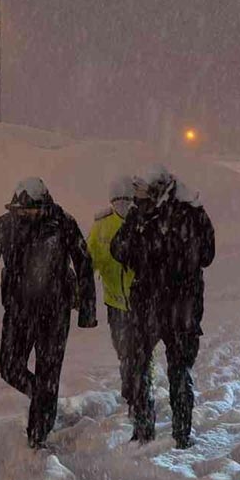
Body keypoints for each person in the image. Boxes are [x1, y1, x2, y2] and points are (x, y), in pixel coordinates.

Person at [0, 177, 97, 449]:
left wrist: (87, 308)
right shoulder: (3, 226)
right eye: (22, 210)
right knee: (10, 368)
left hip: (55, 313)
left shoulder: (63, 223)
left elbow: (84, 264)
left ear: (44, 204)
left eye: (32, 210)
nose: (27, 215)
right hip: (18, 312)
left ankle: (38, 439)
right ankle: (44, 398)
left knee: (49, 371)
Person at [110, 166, 215, 448]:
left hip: (151, 303)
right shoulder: (192, 213)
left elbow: (118, 250)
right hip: (181, 306)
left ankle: (145, 428)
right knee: (178, 369)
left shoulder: (144, 215)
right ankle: (181, 434)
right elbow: (207, 255)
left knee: (139, 364)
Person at [89, 175, 147, 421]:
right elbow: (90, 258)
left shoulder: (144, 222)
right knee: (124, 350)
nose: (122, 205)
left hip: (141, 301)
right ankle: (130, 386)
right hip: (114, 302)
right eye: (117, 200)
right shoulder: (102, 225)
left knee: (139, 353)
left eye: (126, 200)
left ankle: (139, 399)